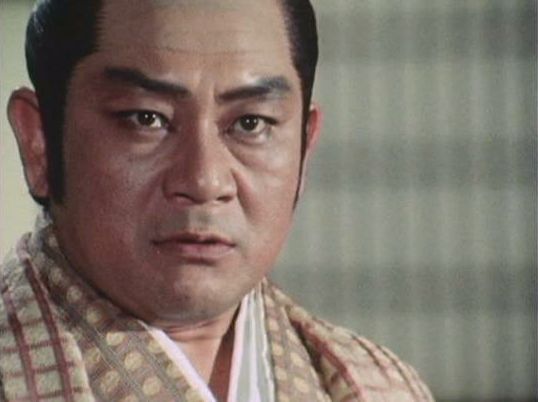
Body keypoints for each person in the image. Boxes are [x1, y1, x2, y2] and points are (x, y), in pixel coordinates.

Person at [0, 0, 434, 400]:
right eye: (146, 118)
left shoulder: (380, 387)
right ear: (40, 141)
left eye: (250, 123)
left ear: (304, 149)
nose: (204, 180)